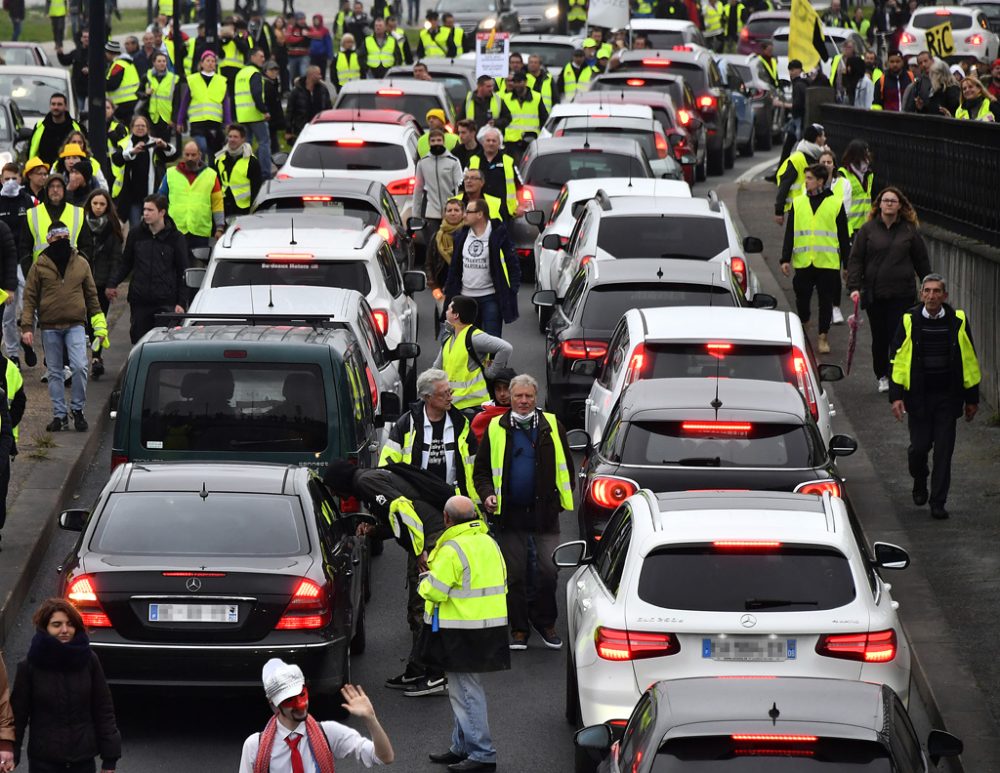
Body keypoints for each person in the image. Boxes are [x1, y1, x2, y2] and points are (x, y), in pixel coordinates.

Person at [322, 460, 454, 697]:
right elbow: (396, 519)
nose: (336, 495)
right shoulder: (370, 479)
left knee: (422, 606)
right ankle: (417, 668)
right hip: (427, 536)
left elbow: (404, 510)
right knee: (419, 605)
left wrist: (419, 550)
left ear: (341, 482)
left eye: (333, 488)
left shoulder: (366, 482)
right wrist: (374, 530)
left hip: (429, 539)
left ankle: (434, 674)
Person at [473, 374, 573, 652]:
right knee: (514, 575)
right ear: (511, 399)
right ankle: (519, 629)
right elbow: (480, 471)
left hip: (545, 516)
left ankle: (545, 623)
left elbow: (567, 467)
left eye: (529, 396)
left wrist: (557, 501)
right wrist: (487, 495)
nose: (524, 401)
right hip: (510, 516)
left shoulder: (552, 426)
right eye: (519, 396)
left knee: (548, 572)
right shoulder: (496, 427)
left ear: (536, 397)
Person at [418, 495, 508, 773]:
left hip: (460, 629)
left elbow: (435, 590)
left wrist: (424, 581)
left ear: (447, 518)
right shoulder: (489, 542)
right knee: (462, 690)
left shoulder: (451, 548)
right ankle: (461, 746)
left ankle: (482, 753)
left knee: (466, 692)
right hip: (487, 627)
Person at [889, 274, 980, 520]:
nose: (931, 296)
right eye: (927, 291)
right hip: (918, 398)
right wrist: (896, 396)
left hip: (947, 399)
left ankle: (938, 502)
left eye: (936, 291)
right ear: (921, 295)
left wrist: (972, 398)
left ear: (945, 296)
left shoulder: (957, 320)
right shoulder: (909, 320)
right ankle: (920, 479)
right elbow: (897, 358)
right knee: (918, 449)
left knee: (944, 451)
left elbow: (969, 360)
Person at [11, 599, 121, 772]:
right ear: (45, 628)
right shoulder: (29, 666)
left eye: (70, 624)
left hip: (83, 761)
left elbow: (103, 709)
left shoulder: (89, 661)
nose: (64, 630)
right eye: (56, 624)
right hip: (44, 762)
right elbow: (18, 716)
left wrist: (110, 759)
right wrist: (11, 753)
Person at [21, 222, 106, 432]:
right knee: (55, 372)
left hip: (75, 324)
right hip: (49, 326)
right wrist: (27, 327)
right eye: (58, 238)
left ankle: (77, 409)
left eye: (66, 237)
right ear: (49, 239)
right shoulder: (39, 265)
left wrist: (99, 324)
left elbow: (92, 296)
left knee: (79, 366)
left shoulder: (81, 263)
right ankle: (59, 415)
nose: (62, 242)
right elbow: (29, 298)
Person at [239, 659, 393, 770]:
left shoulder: (328, 733)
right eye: (289, 700)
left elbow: (384, 757)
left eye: (301, 694)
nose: (300, 704)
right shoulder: (254, 746)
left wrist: (371, 719)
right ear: (273, 704)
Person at [848, 186, 930, 394]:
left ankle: (897, 373)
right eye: (886, 200)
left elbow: (921, 261)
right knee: (880, 337)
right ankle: (882, 374)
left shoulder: (909, 231)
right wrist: (855, 287)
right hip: (876, 294)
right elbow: (856, 259)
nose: (889, 204)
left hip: (902, 293)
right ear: (879, 205)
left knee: (900, 336)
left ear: (900, 205)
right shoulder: (868, 230)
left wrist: (928, 286)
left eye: (893, 201)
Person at [780, 163, 850, 355]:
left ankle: (823, 336)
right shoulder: (798, 202)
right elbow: (790, 232)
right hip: (803, 261)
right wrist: (785, 259)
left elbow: (844, 237)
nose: (806, 182)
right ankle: (805, 320)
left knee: (825, 300)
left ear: (820, 181)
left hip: (827, 261)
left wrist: (847, 264)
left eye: (809, 178)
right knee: (801, 298)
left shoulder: (835, 203)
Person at [107, 194, 189, 344]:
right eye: (144, 209)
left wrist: (181, 303)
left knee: (162, 344)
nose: (145, 213)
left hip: (166, 302)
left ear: (162, 212)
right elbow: (126, 263)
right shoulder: (136, 234)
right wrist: (113, 283)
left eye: (150, 210)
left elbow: (183, 272)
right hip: (140, 302)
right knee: (140, 343)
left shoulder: (176, 238)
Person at [444, 199, 519, 337]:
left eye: (468, 212)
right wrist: (449, 292)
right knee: (466, 341)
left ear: (480, 214)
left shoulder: (498, 234)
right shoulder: (461, 235)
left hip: (490, 298)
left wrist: (513, 289)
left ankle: (492, 360)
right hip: (465, 298)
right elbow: (454, 268)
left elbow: (512, 262)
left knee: (491, 342)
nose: (464, 215)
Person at [433, 296, 513, 413]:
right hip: (452, 404)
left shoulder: (475, 337)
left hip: (472, 407)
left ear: (456, 315)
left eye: (449, 309)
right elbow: (436, 368)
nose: (446, 311)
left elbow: (505, 348)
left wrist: (491, 373)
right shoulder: (449, 338)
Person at [76, 190, 123, 380]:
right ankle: (80, 359)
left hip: (102, 282)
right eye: (95, 203)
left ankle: (96, 358)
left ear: (107, 206)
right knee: (82, 321)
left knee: (99, 321)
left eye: (102, 204)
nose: (98, 207)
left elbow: (116, 258)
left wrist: (112, 283)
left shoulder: (112, 228)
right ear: (89, 204)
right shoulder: (80, 224)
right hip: (82, 280)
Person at [156, 141, 225, 255]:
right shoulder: (171, 173)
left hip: (200, 231)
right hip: (175, 230)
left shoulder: (211, 175)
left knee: (197, 269)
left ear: (200, 155)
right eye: (187, 155)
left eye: (193, 155)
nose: (190, 158)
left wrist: (219, 228)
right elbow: (160, 200)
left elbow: (217, 203)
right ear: (183, 155)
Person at [111, 114, 178, 228]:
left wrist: (164, 145)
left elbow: (172, 155)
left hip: (152, 193)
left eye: (143, 126)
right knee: (136, 228)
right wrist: (133, 151)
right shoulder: (126, 143)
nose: (140, 128)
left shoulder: (155, 143)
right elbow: (116, 159)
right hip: (132, 196)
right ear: (132, 128)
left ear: (147, 128)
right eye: (137, 126)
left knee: (153, 226)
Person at [0, 164, 37, 370]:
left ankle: (27, 337)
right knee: (7, 313)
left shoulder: (29, 201)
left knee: (31, 308)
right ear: (1, 180)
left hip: (25, 260)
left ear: (20, 180)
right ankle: (13, 354)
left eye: (14, 178)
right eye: (7, 179)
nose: (11, 183)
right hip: (6, 262)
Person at [413, 130, 463, 250]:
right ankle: (433, 268)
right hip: (431, 212)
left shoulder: (453, 162)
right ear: (429, 143)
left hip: (450, 213)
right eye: (433, 141)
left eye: (439, 140)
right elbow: (418, 190)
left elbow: (459, 186)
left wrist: (458, 210)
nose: (436, 143)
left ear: (444, 142)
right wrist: (416, 215)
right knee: (433, 246)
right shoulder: (423, 163)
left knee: (451, 245)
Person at [177, 50, 232, 159]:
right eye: (208, 61)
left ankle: (211, 173)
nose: (210, 63)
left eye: (213, 61)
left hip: (214, 122)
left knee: (214, 153)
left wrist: (228, 122)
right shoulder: (193, 80)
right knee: (202, 147)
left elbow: (226, 104)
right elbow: (184, 103)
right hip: (197, 122)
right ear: (201, 63)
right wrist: (180, 121)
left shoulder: (221, 81)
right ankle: (199, 169)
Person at [773, 122, 825, 223]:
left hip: (814, 207)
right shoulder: (797, 159)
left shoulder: (818, 157)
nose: (825, 138)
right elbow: (784, 185)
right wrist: (779, 211)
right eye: (823, 136)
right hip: (797, 210)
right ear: (818, 138)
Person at [25, 175, 84, 263]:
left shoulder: (78, 212)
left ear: (64, 189)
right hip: (41, 269)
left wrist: (79, 269)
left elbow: (85, 246)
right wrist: (29, 273)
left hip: (71, 268)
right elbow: (25, 248)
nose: (55, 190)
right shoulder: (32, 213)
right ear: (46, 190)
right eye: (52, 186)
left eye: (59, 186)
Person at [234, 48, 273, 180]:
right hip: (255, 115)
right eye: (260, 56)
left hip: (242, 115)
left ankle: (247, 172)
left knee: (246, 145)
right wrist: (264, 110)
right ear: (252, 57)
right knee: (264, 143)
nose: (263, 59)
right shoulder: (254, 73)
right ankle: (265, 173)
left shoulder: (240, 73)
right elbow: (256, 94)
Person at [427, 199, 464, 324]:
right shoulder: (436, 237)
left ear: (463, 213)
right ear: (444, 214)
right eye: (449, 210)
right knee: (446, 326)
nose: (453, 213)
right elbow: (429, 263)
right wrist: (434, 287)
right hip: (443, 291)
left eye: (456, 210)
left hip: (465, 289)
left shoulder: (468, 235)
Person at [468, 128, 519, 220]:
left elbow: (520, 187)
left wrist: (520, 206)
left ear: (499, 143)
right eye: (488, 140)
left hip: (503, 213)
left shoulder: (508, 161)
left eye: (494, 141)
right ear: (483, 143)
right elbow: (462, 186)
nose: (491, 143)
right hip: (479, 212)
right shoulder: (473, 160)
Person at [215, 123, 263, 217]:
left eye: (236, 137)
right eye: (230, 136)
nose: (232, 139)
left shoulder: (251, 161)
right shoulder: (219, 159)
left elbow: (256, 189)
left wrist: (253, 212)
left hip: (244, 209)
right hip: (224, 207)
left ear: (243, 139)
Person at [27, 95, 83, 168]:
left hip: (69, 172)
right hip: (44, 173)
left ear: (66, 106)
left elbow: (84, 151)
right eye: (53, 104)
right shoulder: (40, 126)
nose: (56, 107)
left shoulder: (76, 127)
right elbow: (31, 151)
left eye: (59, 104)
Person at [502, 71, 546, 162]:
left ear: (525, 82)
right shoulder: (506, 98)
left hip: (531, 139)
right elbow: (503, 118)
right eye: (515, 82)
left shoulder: (536, 97)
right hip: (512, 141)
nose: (517, 85)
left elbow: (544, 118)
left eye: (519, 82)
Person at [773, 59, 807, 171]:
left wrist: (782, 104)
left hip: (798, 120)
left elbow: (797, 105)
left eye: (793, 70)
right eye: (789, 70)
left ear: (799, 70)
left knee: (794, 147)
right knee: (788, 146)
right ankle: (780, 171)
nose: (791, 72)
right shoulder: (804, 83)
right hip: (798, 120)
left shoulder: (798, 85)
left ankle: (784, 171)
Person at [143, 52, 181, 145]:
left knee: (165, 145)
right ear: (154, 63)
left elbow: (177, 101)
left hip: (166, 118)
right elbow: (138, 93)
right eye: (159, 61)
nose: (162, 63)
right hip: (151, 117)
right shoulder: (147, 77)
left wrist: (173, 119)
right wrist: (145, 93)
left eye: (164, 61)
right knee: (152, 145)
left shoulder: (173, 78)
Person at [287, 66, 333, 137]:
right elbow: (290, 112)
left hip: (320, 128)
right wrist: (288, 131)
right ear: (312, 75)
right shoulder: (296, 91)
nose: (320, 77)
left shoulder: (323, 90)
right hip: (301, 129)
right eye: (318, 74)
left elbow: (329, 109)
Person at [470, 366, 514, 441]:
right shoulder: (481, 418)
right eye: (498, 389)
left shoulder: (526, 414)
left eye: (506, 388)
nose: (502, 394)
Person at [55, 30, 90, 117]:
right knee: (79, 112)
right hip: (79, 87)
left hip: (92, 88)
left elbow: (103, 66)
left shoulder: (97, 52)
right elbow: (65, 61)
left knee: (93, 113)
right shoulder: (76, 52)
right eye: (84, 37)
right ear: (81, 39)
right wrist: (60, 54)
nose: (86, 39)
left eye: (88, 37)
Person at [104, 40, 141, 124]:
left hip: (123, 104)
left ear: (110, 53)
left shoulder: (119, 65)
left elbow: (112, 84)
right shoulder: (128, 63)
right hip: (131, 101)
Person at [263, 61, 287, 152]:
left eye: (276, 70)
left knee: (272, 141)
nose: (274, 72)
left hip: (274, 119)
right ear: (266, 71)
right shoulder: (266, 84)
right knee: (269, 142)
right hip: (269, 118)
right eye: (271, 70)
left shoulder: (274, 83)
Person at [285, 12, 311, 83]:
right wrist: (301, 37)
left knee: (303, 74)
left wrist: (307, 34)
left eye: (303, 19)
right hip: (292, 56)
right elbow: (289, 39)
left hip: (304, 56)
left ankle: (304, 90)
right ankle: (293, 90)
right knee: (292, 75)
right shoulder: (291, 28)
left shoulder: (307, 28)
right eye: (300, 19)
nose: (302, 21)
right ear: (296, 20)